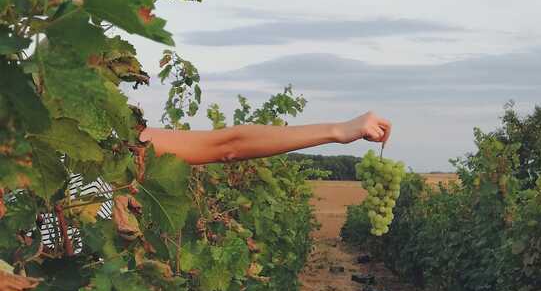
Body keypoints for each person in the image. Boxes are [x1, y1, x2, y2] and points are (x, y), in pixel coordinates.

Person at [139, 111, 392, 165]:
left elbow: (230, 145)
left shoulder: (114, 140)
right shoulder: (112, 142)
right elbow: (229, 146)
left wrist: (338, 130)